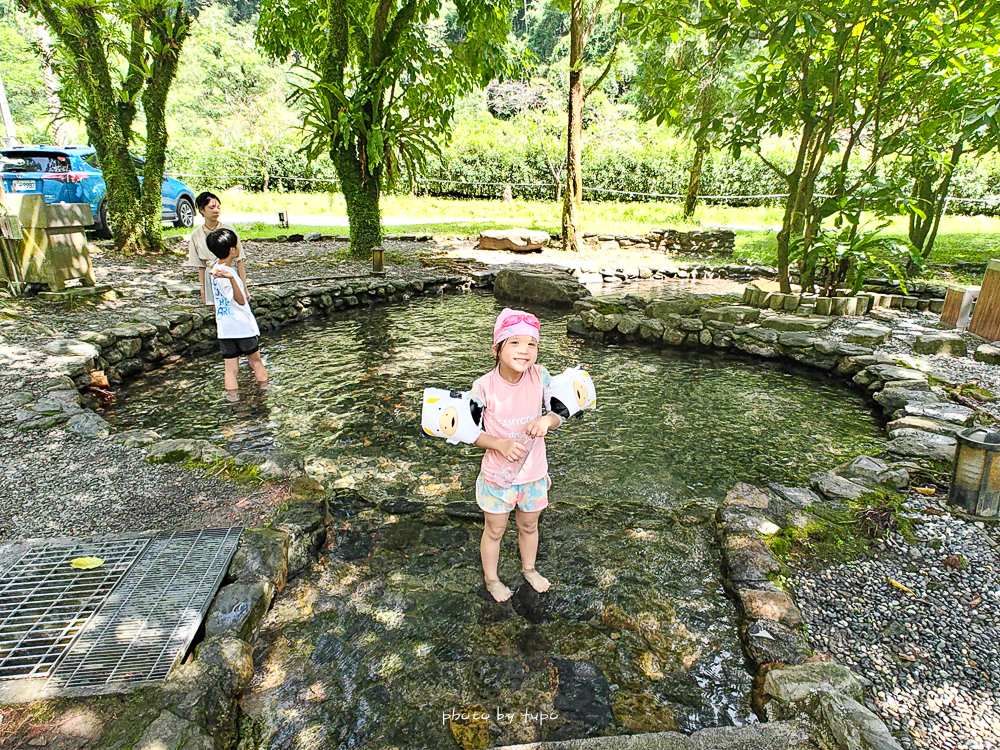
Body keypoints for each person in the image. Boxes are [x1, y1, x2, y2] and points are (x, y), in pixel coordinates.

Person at [471, 308, 562, 602]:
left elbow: (562, 409)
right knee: (495, 530)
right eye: (514, 342)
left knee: (529, 525)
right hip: (499, 477)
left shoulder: (540, 376)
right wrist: (499, 444)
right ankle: (491, 578)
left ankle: (529, 569)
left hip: (534, 474)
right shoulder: (483, 387)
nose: (524, 350)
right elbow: (467, 432)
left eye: (531, 344)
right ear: (497, 348)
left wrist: (548, 420)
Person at [205, 228, 267, 402]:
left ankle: (233, 402)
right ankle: (264, 394)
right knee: (256, 362)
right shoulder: (228, 273)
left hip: (225, 328)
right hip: (242, 326)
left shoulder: (214, 270)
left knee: (230, 369)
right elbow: (239, 301)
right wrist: (233, 280)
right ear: (232, 250)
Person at [186, 191, 248, 306]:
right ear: (202, 209)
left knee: (236, 306)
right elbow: (201, 266)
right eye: (211, 207)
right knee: (218, 309)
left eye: (218, 207)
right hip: (211, 276)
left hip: (229, 273)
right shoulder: (196, 235)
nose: (216, 211)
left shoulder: (228, 230)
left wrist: (244, 287)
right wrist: (203, 288)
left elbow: (240, 260)